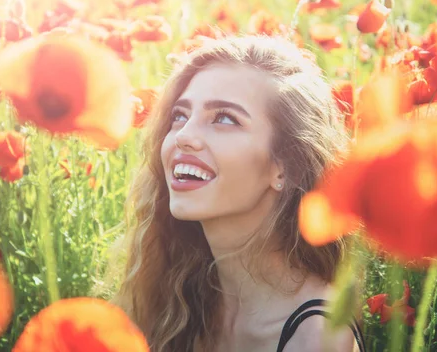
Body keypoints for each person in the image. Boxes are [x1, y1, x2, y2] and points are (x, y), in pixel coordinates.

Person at [111, 35, 365, 352]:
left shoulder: (314, 334)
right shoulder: (182, 295)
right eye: (180, 115)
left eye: (225, 119)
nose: (184, 136)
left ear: (283, 166)